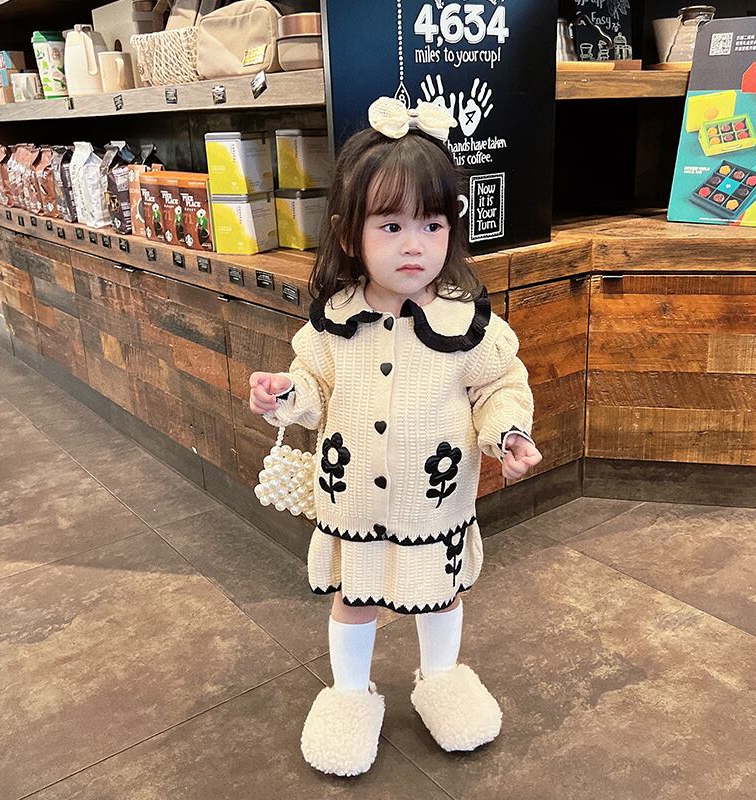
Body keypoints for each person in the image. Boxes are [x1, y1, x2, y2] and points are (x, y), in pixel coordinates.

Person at [249, 97, 542, 777]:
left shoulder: (469, 326)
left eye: (432, 225)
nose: (415, 245)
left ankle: (441, 678)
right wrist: (284, 393)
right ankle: (350, 694)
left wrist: (507, 433)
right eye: (391, 225)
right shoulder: (333, 323)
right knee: (354, 598)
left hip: (432, 508)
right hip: (352, 502)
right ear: (350, 234)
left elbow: (499, 387)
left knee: (441, 593)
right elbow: (312, 388)